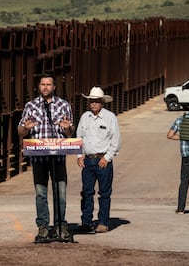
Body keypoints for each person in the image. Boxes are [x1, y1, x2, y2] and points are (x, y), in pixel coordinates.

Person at [18, 74, 74, 242]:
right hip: (39, 158)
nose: (45, 87)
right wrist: (26, 129)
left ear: (54, 87)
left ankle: (60, 226)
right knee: (41, 194)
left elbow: (71, 133)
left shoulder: (64, 105)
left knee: (60, 193)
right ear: (38, 86)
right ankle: (43, 227)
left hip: (57, 158)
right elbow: (20, 132)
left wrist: (67, 129)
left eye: (49, 84)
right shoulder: (31, 106)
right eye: (42, 84)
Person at [75, 86, 121, 234]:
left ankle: (103, 222)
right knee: (87, 192)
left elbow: (116, 140)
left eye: (96, 101)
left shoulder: (110, 117)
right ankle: (86, 222)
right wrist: (79, 155)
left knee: (104, 193)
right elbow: (79, 137)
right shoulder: (85, 117)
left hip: (103, 161)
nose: (93, 104)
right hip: (88, 160)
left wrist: (107, 157)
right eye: (91, 101)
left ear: (102, 102)